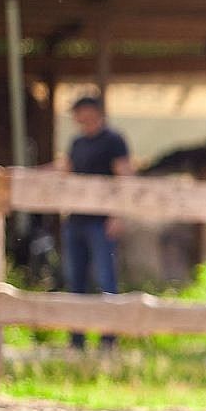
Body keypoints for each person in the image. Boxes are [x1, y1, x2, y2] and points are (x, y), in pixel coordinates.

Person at [58, 94, 133, 349]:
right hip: (76, 220)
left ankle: (108, 338)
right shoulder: (77, 142)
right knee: (75, 279)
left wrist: (118, 215)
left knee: (105, 278)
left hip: (101, 222)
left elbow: (125, 178)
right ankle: (76, 339)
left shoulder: (114, 140)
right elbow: (65, 170)